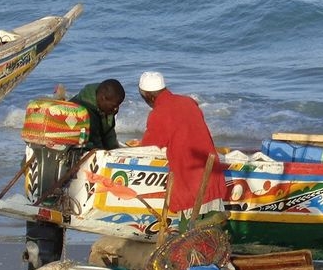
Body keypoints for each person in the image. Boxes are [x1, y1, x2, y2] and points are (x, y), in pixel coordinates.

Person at [138, 71, 225, 216]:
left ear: (148, 96)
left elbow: (149, 146)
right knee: (212, 232)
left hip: (190, 186)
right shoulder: (188, 102)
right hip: (212, 177)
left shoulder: (159, 113)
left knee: (190, 235)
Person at [72, 78, 125, 150]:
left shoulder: (105, 107)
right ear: (103, 98)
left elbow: (109, 133)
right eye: (114, 106)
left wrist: (115, 150)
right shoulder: (86, 113)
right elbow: (96, 145)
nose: (117, 109)